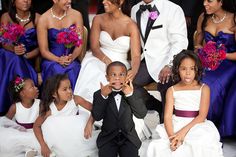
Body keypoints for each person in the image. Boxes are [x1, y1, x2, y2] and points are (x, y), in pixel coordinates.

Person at [146, 50, 223, 157]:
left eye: (192, 69)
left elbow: (202, 116)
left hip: (197, 125)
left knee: (199, 142)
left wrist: (182, 133)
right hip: (176, 123)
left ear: (197, 70)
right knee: (161, 147)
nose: (188, 73)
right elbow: (167, 116)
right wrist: (172, 137)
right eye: (183, 69)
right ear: (177, 70)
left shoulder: (204, 89)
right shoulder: (172, 90)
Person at [130, 0, 188, 122]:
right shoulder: (135, 9)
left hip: (169, 61)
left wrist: (170, 65)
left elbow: (180, 42)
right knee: (127, 84)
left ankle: (167, 121)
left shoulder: (173, 9)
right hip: (147, 61)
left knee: (166, 83)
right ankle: (156, 106)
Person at [195, 0, 236, 137]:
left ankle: (209, 129)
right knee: (194, 79)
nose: (205, 3)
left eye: (210, 1)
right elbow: (198, 39)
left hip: (230, 64)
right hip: (208, 62)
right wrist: (200, 49)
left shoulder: (234, 19)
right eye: (204, 0)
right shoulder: (203, 17)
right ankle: (193, 124)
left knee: (210, 84)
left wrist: (221, 55)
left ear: (221, 2)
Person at [33, 74, 98, 157]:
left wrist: (89, 123)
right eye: (65, 89)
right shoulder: (50, 109)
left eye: (70, 87)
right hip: (58, 139)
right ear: (54, 94)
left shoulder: (76, 99)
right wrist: (43, 145)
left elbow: (95, 109)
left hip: (76, 136)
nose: (70, 91)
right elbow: (36, 126)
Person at [92, 61, 147, 157]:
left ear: (126, 77)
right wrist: (103, 96)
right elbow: (97, 116)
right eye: (113, 75)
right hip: (108, 138)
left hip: (128, 138)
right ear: (107, 78)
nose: (117, 78)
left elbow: (141, 114)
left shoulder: (133, 93)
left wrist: (130, 95)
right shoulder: (99, 94)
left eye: (121, 74)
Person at [0, 0, 40, 115]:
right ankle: (14, 102)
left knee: (17, 60)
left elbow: (41, 45)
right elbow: (3, 41)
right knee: (13, 59)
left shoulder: (37, 17)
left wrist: (28, 55)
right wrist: (14, 49)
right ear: (13, 1)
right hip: (9, 54)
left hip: (29, 56)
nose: (26, 1)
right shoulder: (6, 16)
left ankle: (25, 104)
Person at [37, 0, 83, 90]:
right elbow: (44, 50)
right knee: (56, 69)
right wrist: (58, 60)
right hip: (52, 60)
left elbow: (79, 44)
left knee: (73, 68)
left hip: (71, 59)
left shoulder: (77, 15)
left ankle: (72, 102)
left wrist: (72, 57)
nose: (69, 1)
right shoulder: (43, 19)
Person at [0, 76, 40, 157]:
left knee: (37, 139)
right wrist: (14, 129)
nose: (36, 88)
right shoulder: (15, 107)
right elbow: (5, 121)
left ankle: (31, 150)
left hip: (36, 132)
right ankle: (28, 150)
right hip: (21, 133)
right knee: (17, 139)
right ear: (22, 93)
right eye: (32, 87)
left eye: (35, 85)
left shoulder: (39, 103)